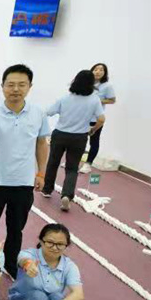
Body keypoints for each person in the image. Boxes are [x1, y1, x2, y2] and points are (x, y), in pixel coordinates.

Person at [0, 64, 50, 279]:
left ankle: (10, 265)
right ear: (2, 86)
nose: (16, 89)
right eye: (10, 85)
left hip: (23, 183)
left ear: (29, 86)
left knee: (15, 229)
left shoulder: (38, 113)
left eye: (21, 84)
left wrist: (41, 173)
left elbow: (41, 144)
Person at [42, 70, 105, 210]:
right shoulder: (94, 100)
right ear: (91, 84)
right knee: (72, 168)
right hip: (79, 137)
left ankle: (47, 190)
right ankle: (67, 195)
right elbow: (101, 119)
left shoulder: (65, 98)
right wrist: (93, 129)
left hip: (60, 134)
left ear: (75, 81)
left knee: (53, 163)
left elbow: (48, 112)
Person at [80, 62, 115, 174]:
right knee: (79, 140)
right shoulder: (86, 83)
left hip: (96, 119)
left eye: (101, 70)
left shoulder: (107, 86)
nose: (98, 72)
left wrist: (98, 100)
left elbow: (112, 100)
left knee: (93, 142)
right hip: (82, 117)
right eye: (95, 69)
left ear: (105, 73)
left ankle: (88, 164)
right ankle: (73, 161)